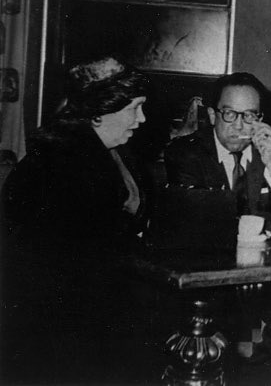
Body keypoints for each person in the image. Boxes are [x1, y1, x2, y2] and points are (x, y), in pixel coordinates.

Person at [163, 72, 271, 386]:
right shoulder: (185, 153)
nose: (240, 126)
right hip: (205, 275)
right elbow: (201, 219)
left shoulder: (269, 151)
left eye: (249, 115)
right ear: (212, 115)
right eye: (230, 114)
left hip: (254, 273)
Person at [0, 57, 151, 383]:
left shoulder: (113, 151)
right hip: (59, 330)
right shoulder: (60, 165)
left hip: (93, 313)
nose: (142, 119)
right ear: (100, 110)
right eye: (134, 108)